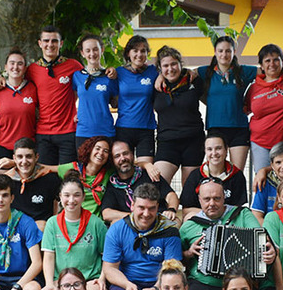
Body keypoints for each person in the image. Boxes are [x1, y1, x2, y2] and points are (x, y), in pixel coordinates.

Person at [102, 183, 184, 290]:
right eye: (141, 208)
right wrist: (127, 285)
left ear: (158, 207)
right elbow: (109, 268)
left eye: (151, 208)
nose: (146, 214)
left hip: (159, 284)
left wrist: (155, 289)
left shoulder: (169, 231)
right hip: (127, 281)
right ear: (132, 205)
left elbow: (172, 270)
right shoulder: (117, 229)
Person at [180, 179, 276, 290]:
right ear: (199, 200)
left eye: (217, 198)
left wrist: (269, 252)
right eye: (207, 199)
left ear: (224, 197)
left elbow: (260, 240)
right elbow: (177, 259)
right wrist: (188, 253)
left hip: (239, 283)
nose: (212, 203)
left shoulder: (242, 214)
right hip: (203, 284)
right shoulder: (189, 226)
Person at [41, 173, 108, 290]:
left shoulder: (96, 223)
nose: (71, 200)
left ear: (83, 197)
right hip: (62, 282)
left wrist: (102, 279)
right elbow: (48, 257)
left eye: (76, 195)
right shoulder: (52, 223)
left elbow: (107, 256)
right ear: (60, 197)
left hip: (89, 281)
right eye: (66, 195)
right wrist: (49, 284)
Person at [198, 35, 256, 171]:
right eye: (220, 51)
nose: (224, 55)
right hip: (215, 127)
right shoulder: (205, 72)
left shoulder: (243, 71)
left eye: (228, 51)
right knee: (216, 171)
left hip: (239, 127)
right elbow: (184, 74)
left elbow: (269, 70)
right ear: (215, 52)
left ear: (234, 52)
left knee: (236, 172)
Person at [28, 25, 84, 164]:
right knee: (45, 174)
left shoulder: (73, 66)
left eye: (54, 41)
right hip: (43, 132)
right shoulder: (32, 70)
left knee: (68, 173)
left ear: (61, 43)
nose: (50, 44)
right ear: (40, 43)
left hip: (68, 131)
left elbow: (87, 89)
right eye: (46, 41)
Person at [152, 45, 205, 184]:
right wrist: (159, 76)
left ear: (181, 64)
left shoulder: (193, 80)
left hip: (193, 140)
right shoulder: (156, 86)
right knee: (158, 183)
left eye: (174, 64)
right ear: (160, 68)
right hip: (167, 141)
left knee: (189, 187)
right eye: (165, 66)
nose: (170, 69)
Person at [246, 43, 283, 172]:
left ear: (282, 62)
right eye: (267, 61)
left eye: (276, 59)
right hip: (260, 143)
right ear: (261, 65)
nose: (272, 64)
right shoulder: (253, 87)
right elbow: (246, 110)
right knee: (263, 179)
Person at [100, 139, 178, 225]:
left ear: (132, 154)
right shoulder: (113, 183)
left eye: (125, 153)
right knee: (115, 223)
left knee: (175, 222)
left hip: (157, 220)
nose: (123, 158)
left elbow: (171, 195)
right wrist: (136, 217)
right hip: (131, 224)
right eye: (117, 156)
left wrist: (171, 209)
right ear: (112, 161)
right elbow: (106, 213)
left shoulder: (148, 174)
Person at [114, 34, 158, 164]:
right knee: (123, 167)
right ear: (128, 53)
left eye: (143, 51)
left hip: (146, 129)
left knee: (146, 168)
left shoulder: (153, 72)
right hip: (123, 128)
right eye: (135, 50)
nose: (139, 54)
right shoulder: (118, 72)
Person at [179, 133, 248, 213]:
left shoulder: (236, 175)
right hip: (201, 217)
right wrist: (209, 214)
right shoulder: (195, 176)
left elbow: (237, 209)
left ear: (226, 150)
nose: (214, 153)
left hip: (227, 218)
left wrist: (219, 215)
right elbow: (186, 210)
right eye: (209, 149)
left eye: (218, 148)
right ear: (205, 151)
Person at [73, 34, 117, 150]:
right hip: (83, 131)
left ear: (102, 50)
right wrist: (74, 114)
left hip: (105, 131)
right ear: (82, 53)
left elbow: (116, 103)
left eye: (95, 49)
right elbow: (70, 99)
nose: (92, 54)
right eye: (88, 50)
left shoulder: (110, 77)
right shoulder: (77, 76)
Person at [3, 138, 60, 228]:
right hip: (14, 227)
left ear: (36, 157)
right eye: (20, 157)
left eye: (28, 156)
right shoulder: (6, 180)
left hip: (40, 228)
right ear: (14, 158)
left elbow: (57, 207)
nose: (24, 161)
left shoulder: (50, 179)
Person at [0, 48, 38, 159]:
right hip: (4, 145)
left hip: (28, 146)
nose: (15, 67)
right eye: (12, 63)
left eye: (20, 64)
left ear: (25, 68)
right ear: (6, 67)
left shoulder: (33, 88)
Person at [57, 136, 112, 214]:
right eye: (97, 148)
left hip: (95, 219)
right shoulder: (73, 167)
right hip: (74, 217)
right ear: (90, 150)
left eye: (105, 151)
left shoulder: (109, 173)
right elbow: (46, 169)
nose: (101, 153)